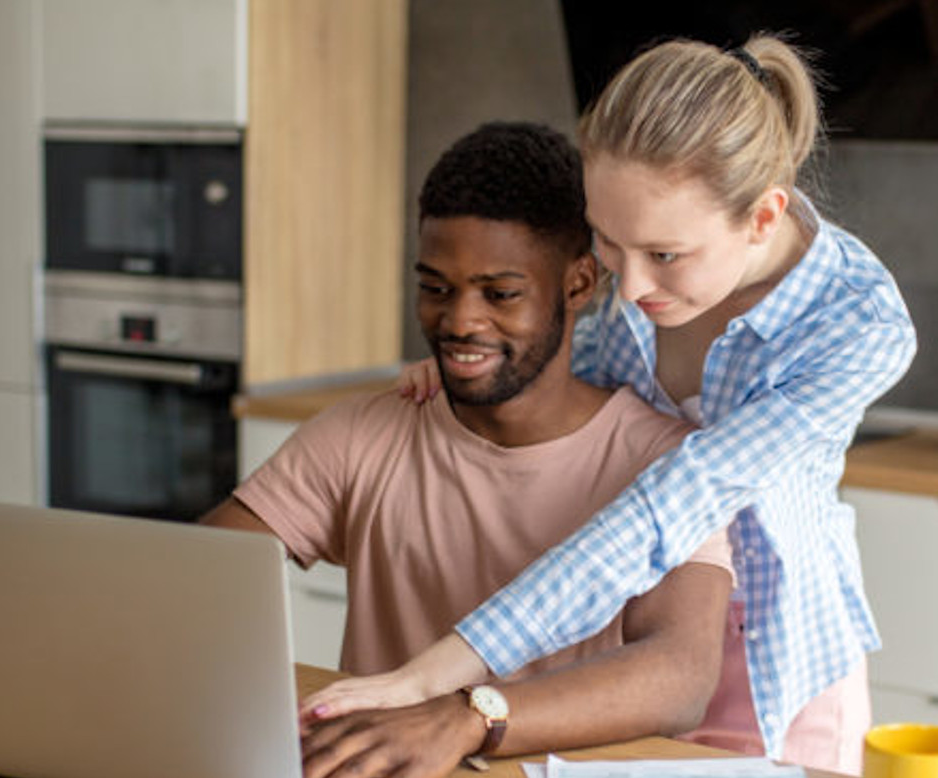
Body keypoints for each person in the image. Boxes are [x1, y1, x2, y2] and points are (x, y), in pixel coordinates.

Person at [306, 36, 918, 773]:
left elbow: (671, 502)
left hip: (774, 665)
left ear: (762, 218)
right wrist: (478, 359)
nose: (625, 291)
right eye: (608, 242)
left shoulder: (859, 324)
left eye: (663, 255)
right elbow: (582, 371)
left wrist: (436, 674)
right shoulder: (642, 270)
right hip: (633, 642)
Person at [201, 122, 741, 777]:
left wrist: (467, 716)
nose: (459, 321)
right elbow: (194, 578)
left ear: (579, 284)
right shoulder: (364, 433)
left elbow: (679, 677)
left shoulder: (663, 460)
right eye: (435, 288)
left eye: (500, 294)